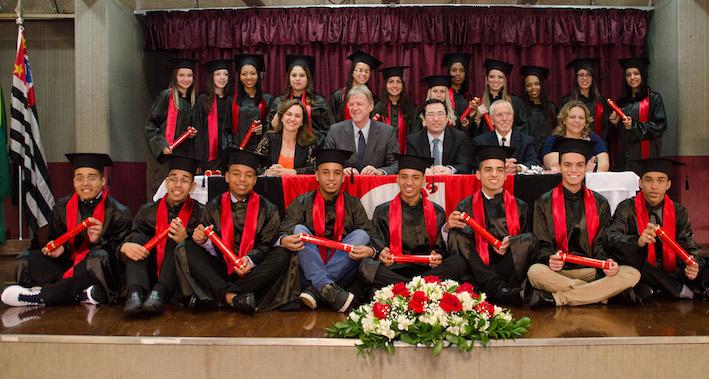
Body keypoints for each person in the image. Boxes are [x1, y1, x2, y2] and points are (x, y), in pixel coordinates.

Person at [3, 154, 132, 307]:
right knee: (26, 259)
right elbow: (56, 240)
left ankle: (41, 296)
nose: (85, 183)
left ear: (102, 181)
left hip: (98, 269)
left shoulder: (119, 212)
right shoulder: (62, 207)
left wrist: (99, 240)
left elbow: (121, 255)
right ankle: (81, 294)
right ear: (73, 181)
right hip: (69, 264)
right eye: (79, 178)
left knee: (98, 258)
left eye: (91, 178)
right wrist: (59, 249)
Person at [526, 138, 641, 308]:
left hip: (592, 272)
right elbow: (541, 245)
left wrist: (609, 263)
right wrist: (549, 258)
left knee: (631, 273)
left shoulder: (600, 203)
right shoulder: (544, 202)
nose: (573, 170)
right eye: (567, 165)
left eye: (579, 165)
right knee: (535, 272)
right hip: (559, 271)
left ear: (587, 167)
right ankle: (604, 295)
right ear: (559, 166)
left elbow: (602, 245)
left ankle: (560, 299)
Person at [184, 148, 288, 313]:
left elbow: (266, 245)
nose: (242, 179)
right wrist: (203, 241)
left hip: (253, 271)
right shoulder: (213, 206)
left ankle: (224, 293)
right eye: (236, 173)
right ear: (226, 177)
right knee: (188, 247)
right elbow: (211, 249)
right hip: (221, 268)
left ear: (255, 180)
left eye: (248, 175)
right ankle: (233, 297)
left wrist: (249, 260)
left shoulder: (268, 209)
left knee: (282, 254)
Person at [277, 149, 377, 312]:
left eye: (336, 173)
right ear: (316, 175)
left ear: (343, 177)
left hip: (343, 269)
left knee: (361, 235)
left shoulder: (353, 204)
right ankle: (327, 288)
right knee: (298, 229)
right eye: (325, 172)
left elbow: (370, 236)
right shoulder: (302, 202)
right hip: (308, 264)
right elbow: (283, 230)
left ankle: (317, 289)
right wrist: (283, 239)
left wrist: (370, 250)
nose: (331, 178)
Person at [605, 158, 708, 301]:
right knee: (636, 263)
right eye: (648, 180)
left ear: (668, 184)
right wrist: (638, 241)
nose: (654, 186)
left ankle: (656, 289)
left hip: (670, 271)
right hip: (640, 269)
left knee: (702, 266)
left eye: (660, 181)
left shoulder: (679, 211)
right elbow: (610, 238)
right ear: (640, 183)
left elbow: (689, 247)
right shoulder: (626, 208)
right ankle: (678, 290)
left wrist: (693, 265)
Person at [359, 154, 467, 289]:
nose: (409, 182)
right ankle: (420, 288)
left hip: (427, 270)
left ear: (423, 180)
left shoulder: (437, 211)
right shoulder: (382, 211)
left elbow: (441, 248)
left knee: (458, 262)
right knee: (367, 266)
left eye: (415, 177)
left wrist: (438, 256)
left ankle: (404, 289)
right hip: (394, 270)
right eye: (404, 177)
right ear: (397, 179)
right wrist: (382, 253)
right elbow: (377, 243)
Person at [446, 145, 536, 306]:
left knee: (528, 239)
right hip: (477, 268)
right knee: (456, 233)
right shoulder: (465, 206)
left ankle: (496, 289)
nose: (494, 174)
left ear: (506, 175)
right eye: (488, 170)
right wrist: (447, 227)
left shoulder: (520, 206)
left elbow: (528, 247)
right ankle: (498, 290)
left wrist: (513, 241)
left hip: (509, 267)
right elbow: (458, 247)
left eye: (499, 170)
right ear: (478, 175)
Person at [120, 156, 204, 316]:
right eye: (173, 179)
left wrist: (185, 238)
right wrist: (126, 246)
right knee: (136, 240)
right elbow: (133, 236)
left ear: (192, 186)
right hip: (148, 271)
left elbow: (204, 256)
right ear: (166, 182)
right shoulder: (147, 211)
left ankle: (159, 292)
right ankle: (135, 294)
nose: (177, 185)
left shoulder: (201, 213)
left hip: (179, 278)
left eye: (184, 180)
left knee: (177, 239)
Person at [145, 57, 197, 195]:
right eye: (181, 75)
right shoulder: (166, 96)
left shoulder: (192, 101)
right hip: (165, 157)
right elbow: (151, 125)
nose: (186, 79)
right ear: (175, 77)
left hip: (182, 157)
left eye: (189, 75)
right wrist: (162, 145)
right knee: (163, 191)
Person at [323, 85, 399, 175]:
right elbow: (326, 163)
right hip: (345, 186)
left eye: (359, 104)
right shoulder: (335, 131)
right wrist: (339, 171)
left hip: (375, 187)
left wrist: (379, 172)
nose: (354, 108)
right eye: (351, 104)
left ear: (371, 106)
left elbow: (396, 164)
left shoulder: (387, 132)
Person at [609, 57, 667, 172]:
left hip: (645, 157)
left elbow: (660, 126)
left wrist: (634, 125)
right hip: (623, 157)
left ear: (642, 75)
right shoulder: (621, 102)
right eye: (628, 75)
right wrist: (614, 124)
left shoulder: (654, 99)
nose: (632, 78)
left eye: (636, 74)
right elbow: (614, 137)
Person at [267, 55, 334, 146]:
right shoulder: (279, 101)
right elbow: (271, 128)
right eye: (294, 75)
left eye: (302, 75)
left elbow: (329, 130)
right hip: (284, 148)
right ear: (289, 78)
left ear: (308, 78)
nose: (297, 79)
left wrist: (313, 144)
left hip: (313, 149)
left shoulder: (319, 102)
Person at [406, 99, 472, 174]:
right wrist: (423, 170)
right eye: (431, 114)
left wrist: (450, 170)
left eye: (440, 114)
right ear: (423, 120)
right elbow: (410, 166)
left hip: (450, 183)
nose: (436, 119)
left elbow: (465, 166)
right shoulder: (414, 140)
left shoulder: (459, 137)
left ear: (447, 118)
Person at [472, 99, 539, 173]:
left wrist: (518, 168)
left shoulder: (526, 141)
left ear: (513, 117)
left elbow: (534, 163)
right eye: (499, 115)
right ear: (491, 120)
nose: (504, 119)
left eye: (508, 114)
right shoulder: (481, 142)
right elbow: (476, 166)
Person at [542, 101, 609, 172]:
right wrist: (585, 169)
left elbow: (604, 164)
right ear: (564, 120)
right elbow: (553, 166)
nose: (577, 121)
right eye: (572, 117)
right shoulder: (553, 139)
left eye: (581, 118)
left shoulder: (593, 138)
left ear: (586, 122)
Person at [256, 99, 317, 175]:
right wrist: (266, 172)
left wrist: (292, 172)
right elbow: (254, 165)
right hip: (272, 185)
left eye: (297, 116)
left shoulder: (309, 143)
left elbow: (313, 169)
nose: (292, 119)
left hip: (297, 186)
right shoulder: (269, 138)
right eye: (289, 114)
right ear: (281, 118)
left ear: (302, 122)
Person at [193, 59, 233, 171]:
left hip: (228, 154)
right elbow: (198, 130)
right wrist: (199, 162)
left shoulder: (232, 100)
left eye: (226, 74)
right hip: (207, 155)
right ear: (212, 77)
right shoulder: (203, 100)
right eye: (218, 74)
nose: (222, 77)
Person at [469, 59, 527, 134]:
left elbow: (522, 129)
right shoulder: (478, 103)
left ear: (504, 81)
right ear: (486, 80)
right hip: (485, 145)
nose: (496, 80)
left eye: (500, 77)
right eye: (492, 77)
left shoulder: (515, 102)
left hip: (509, 144)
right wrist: (477, 118)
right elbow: (472, 136)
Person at [559, 58, 610, 142]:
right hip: (574, 147)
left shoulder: (601, 101)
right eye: (581, 75)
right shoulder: (566, 101)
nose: (585, 78)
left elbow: (606, 129)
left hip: (597, 147)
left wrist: (614, 122)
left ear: (592, 78)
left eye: (588, 75)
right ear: (576, 78)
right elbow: (561, 128)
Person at [372, 66, 420, 154]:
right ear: (385, 85)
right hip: (383, 155)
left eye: (398, 82)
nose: (395, 85)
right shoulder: (379, 108)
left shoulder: (411, 108)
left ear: (403, 85)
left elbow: (415, 134)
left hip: (407, 154)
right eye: (391, 82)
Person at [230, 54, 272, 151]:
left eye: (253, 73)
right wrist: (232, 148)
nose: (248, 77)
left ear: (258, 75)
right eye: (244, 74)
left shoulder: (268, 99)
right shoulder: (232, 100)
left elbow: (271, 127)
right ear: (239, 77)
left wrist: (263, 128)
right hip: (236, 150)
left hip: (259, 152)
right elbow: (226, 129)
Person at [328, 50, 382, 122]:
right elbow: (331, 121)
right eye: (360, 70)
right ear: (353, 72)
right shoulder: (338, 96)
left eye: (367, 71)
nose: (363, 74)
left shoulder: (373, 99)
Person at [520, 65, 557, 157]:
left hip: (549, 156)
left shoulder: (551, 108)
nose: (533, 88)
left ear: (542, 85)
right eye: (528, 85)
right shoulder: (521, 108)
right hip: (528, 156)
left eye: (537, 84)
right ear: (525, 88)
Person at [443, 53, 479, 134]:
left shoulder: (468, 97)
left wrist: (470, 118)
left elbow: (471, 130)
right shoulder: (444, 96)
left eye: (462, 70)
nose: (458, 74)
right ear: (449, 72)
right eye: (454, 70)